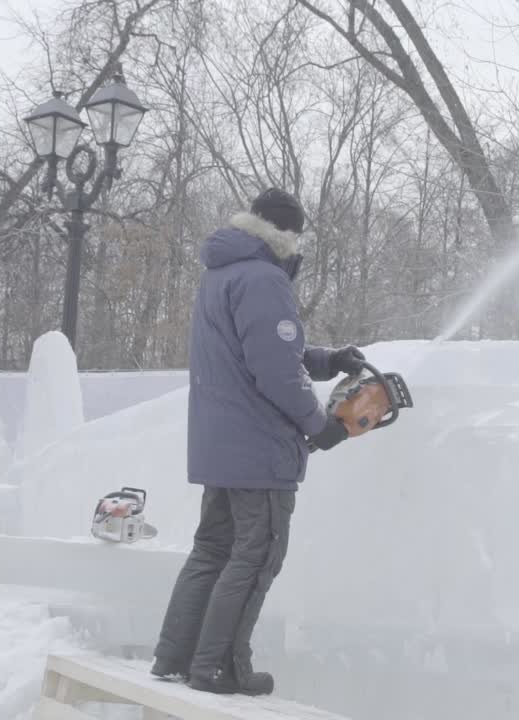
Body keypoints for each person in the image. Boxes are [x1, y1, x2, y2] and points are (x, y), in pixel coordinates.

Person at [150, 188, 363, 695]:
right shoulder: (265, 278)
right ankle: (220, 666)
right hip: (259, 448)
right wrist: (320, 425)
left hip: (221, 443)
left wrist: (328, 361)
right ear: (288, 234)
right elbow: (274, 370)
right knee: (256, 555)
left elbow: (258, 349)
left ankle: (176, 658)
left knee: (212, 551)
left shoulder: (221, 273)